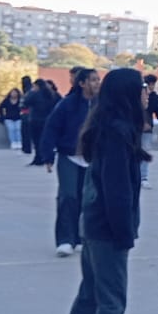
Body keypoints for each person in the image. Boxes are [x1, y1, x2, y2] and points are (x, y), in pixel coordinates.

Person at [55, 68, 148, 314]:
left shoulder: (106, 127)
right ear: (128, 94)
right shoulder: (117, 133)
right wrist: (124, 231)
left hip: (94, 223)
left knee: (90, 293)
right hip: (107, 227)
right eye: (141, 88)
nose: (146, 93)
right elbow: (117, 188)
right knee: (112, 298)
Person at [39, 67, 100, 256]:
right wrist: (47, 155)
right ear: (82, 83)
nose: (97, 83)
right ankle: (65, 240)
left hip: (92, 158)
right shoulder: (67, 104)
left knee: (88, 199)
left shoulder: (102, 105)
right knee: (68, 196)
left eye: (98, 79)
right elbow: (51, 128)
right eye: (93, 80)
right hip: (69, 157)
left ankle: (81, 237)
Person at [24, 79, 58, 165]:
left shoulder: (35, 94)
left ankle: (38, 158)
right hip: (48, 120)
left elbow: (26, 102)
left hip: (35, 120)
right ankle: (45, 157)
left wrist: (31, 92)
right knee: (45, 140)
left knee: (36, 140)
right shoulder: (52, 94)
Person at [140, 74, 158, 188]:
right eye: (152, 84)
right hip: (137, 128)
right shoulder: (138, 95)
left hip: (148, 129)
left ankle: (143, 177)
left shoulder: (154, 97)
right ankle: (137, 175)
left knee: (145, 152)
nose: (153, 86)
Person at [19, 75, 36, 157]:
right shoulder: (30, 91)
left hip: (27, 113)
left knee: (25, 132)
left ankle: (26, 148)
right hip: (27, 113)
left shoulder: (28, 91)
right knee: (26, 132)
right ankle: (26, 148)